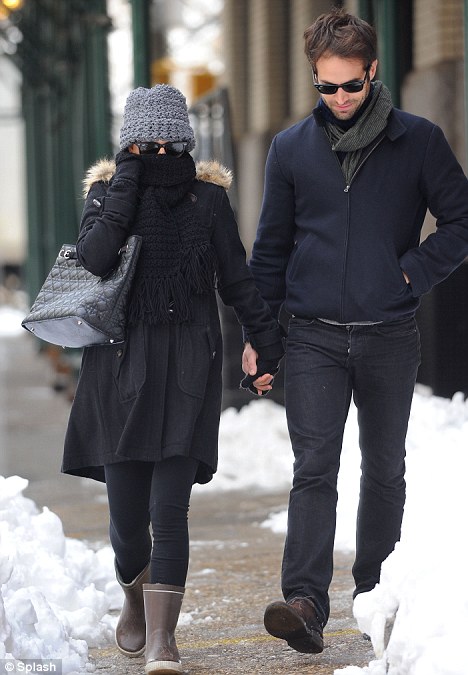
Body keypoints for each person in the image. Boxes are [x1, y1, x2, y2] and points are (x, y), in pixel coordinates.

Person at [242, 8, 468, 656]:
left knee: (385, 468)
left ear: (373, 72)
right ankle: (305, 601)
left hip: (389, 334)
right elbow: (270, 251)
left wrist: (409, 275)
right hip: (312, 334)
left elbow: (460, 220)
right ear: (315, 79)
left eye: (351, 85)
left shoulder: (418, 141)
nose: (339, 99)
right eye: (326, 87)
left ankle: (376, 589)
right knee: (314, 467)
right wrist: (262, 334)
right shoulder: (290, 149)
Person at [62, 84, 284, 674]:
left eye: (168, 143)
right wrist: (125, 190)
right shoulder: (108, 194)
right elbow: (96, 257)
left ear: (184, 143)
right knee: (127, 520)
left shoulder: (207, 202)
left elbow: (235, 279)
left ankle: (163, 639)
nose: (156, 152)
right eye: (142, 143)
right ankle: (133, 598)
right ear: (127, 145)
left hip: (187, 365)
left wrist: (263, 340)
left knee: (170, 510)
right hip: (118, 369)